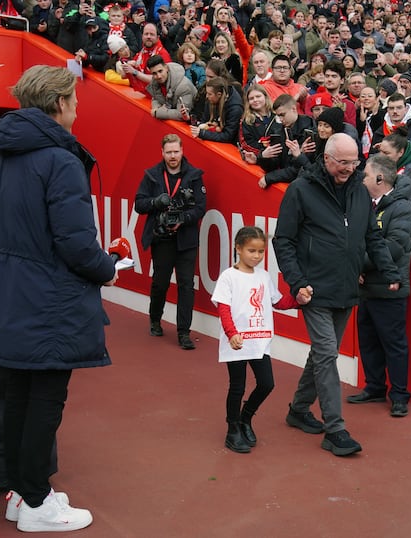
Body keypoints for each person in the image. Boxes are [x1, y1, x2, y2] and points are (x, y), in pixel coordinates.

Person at [0, 65, 116, 532]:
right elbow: (74, 242)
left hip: (7, 297)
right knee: (44, 403)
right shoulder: (59, 160)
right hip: (46, 303)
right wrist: (106, 267)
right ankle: (34, 502)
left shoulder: (0, 157)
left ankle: (23, 493)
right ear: (58, 104)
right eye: (73, 99)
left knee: (17, 399)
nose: (78, 106)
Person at [273, 133, 401, 457]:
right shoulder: (300, 190)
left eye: (354, 162)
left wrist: (389, 272)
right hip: (312, 289)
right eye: (342, 162)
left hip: (346, 289)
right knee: (328, 353)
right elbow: (283, 241)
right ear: (327, 158)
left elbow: (372, 236)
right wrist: (296, 281)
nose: (349, 168)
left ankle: (299, 409)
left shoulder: (359, 192)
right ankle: (335, 429)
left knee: (320, 354)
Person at [211, 226, 305, 453]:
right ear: (238, 248)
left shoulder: (263, 276)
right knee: (237, 386)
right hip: (238, 343)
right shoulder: (228, 277)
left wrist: (298, 300)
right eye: (251, 250)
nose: (256, 256)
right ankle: (232, 429)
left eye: (260, 251)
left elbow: (278, 302)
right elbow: (223, 309)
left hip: (260, 341)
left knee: (266, 383)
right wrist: (232, 333)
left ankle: (246, 418)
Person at [346, 155, 411, 417]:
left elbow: (394, 247)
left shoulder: (402, 208)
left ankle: (399, 396)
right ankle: (374, 386)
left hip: (389, 289)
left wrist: (360, 266)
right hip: (367, 289)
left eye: (365, 175)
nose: (361, 179)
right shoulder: (364, 206)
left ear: (379, 178)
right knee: (369, 341)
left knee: (393, 343)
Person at [134, 134, 207, 350]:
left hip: (186, 239)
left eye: (176, 151)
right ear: (162, 153)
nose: (173, 156)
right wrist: (156, 202)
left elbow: (201, 207)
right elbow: (139, 203)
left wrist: (183, 219)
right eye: (169, 152)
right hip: (161, 238)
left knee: (186, 285)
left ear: (182, 151)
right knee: (160, 282)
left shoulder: (195, 176)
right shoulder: (152, 175)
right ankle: (155, 319)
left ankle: (184, 332)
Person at [190, 76, 244, 144]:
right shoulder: (211, 100)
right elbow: (204, 120)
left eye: (210, 94)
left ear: (219, 94)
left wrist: (203, 133)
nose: (207, 96)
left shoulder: (235, 109)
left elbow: (228, 136)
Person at [146, 55, 197, 121]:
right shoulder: (155, 81)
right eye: (154, 73)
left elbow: (181, 115)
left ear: (166, 68)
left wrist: (157, 113)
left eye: (160, 71)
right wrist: (156, 108)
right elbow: (155, 98)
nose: (158, 76)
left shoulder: (184, 86)